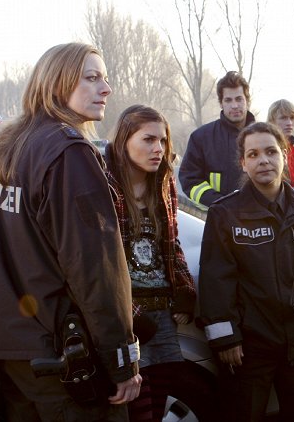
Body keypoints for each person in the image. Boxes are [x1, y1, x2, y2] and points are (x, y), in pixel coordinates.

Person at [0, 42, 141, 421]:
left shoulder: (14, 148)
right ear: (57, 84)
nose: (106, 88)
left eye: (104, 77)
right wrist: (122, 359)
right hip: (63, 357)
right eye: (92, 77)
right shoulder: (69, 153)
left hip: (14, 352)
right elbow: (96, 267)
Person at [198, 122, 294, 421]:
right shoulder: (225, 214)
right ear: (243, 162)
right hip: (250, 348)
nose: (263, 160)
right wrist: (225, 338)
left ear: (285, 156)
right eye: (253, 154)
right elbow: (216, 279)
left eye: (270, 152)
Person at [105, 105, 211, 421]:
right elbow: (102, 263)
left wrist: (183, 290)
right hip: (127, 315)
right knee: (137, 404)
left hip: (162, 309)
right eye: (149, 140)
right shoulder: (106, 187)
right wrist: (128, 314)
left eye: (163, 140)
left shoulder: (162, 184)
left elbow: (171, 243)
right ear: (125, 140)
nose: (158, 149)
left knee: (159, 401)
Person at [179, 71, 255, 207]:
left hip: (258, 218)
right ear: (221, 103)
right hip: (216, 219)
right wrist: (220, 203)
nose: (234, 105)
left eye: (239, 99)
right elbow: (190, 180)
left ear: (247, 100)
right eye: (228, 100)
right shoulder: (201, 138)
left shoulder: (264, 137)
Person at [267, 99, 294, 193]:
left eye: (292, 118)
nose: (289, 123)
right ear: (272, 121)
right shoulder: (267, 152)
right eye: (283, 118)